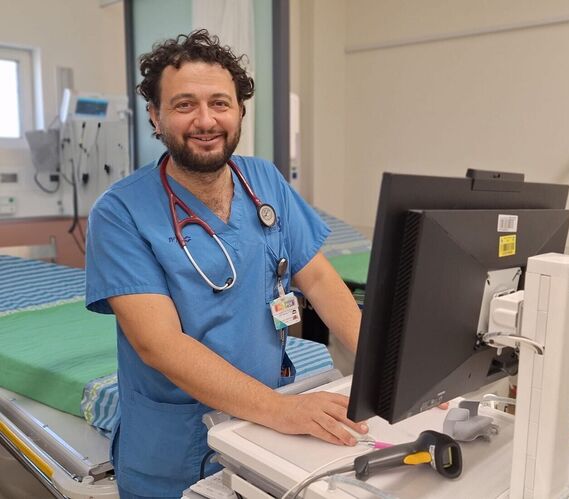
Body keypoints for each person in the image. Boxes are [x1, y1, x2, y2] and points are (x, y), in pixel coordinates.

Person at [85, 29, 365, 498]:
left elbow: (317, 277)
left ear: (239, 112)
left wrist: (385, 372)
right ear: (154, 115)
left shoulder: (264, 179)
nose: (205, 120)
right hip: (175, 448)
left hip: (266, 429)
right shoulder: (119, 213)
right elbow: (159, 344)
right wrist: (283, 411)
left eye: (220, 103)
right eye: (184, 105)